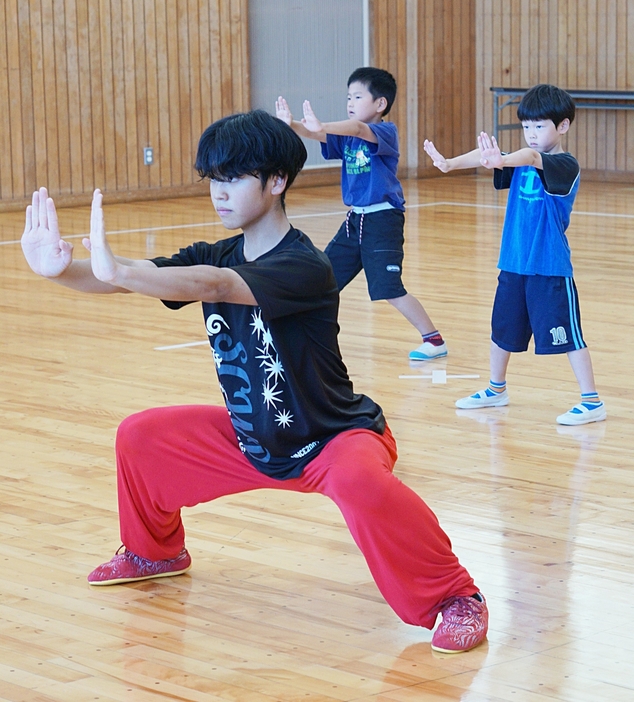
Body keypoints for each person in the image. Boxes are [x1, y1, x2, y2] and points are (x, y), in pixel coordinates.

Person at [21, 110, 487, 653]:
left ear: (276, 181)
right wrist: (62, 272)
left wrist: (121, 270)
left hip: (332, 438)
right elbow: (130, 277)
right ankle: (156, 552)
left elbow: (215, 285)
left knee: (363, 484)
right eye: (214, 179)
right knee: (141, 435)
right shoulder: (213, 253)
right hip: (254, 437)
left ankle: (455, 598)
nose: (219, 193)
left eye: (234, 178)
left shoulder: (307, 265)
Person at [424, 84, 606, 426]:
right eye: (526, 126)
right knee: (502, 330)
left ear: (562, 126)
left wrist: (503, 158)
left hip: (549, 268)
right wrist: (449, 164)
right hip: (513, 264)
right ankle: (496, 389)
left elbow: (531, 156)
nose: (531, 134)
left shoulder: (564, 164)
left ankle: (592, 400)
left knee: (569, 334)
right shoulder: (519, 161)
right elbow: (488, 158)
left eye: (539, 126)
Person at [275, 67, 447, 361]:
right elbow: (316, 134)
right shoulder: (345, 136)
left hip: (382, 220)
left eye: (357, 96)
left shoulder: (384, 132)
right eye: (348, 97)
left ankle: (434, 340)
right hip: (355, 220)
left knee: (389, 288)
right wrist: (290, 124)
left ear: (380, 104)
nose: (350, 103)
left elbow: (354, 128)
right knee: (324, 275)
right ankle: (307, 335)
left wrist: (322, 125)